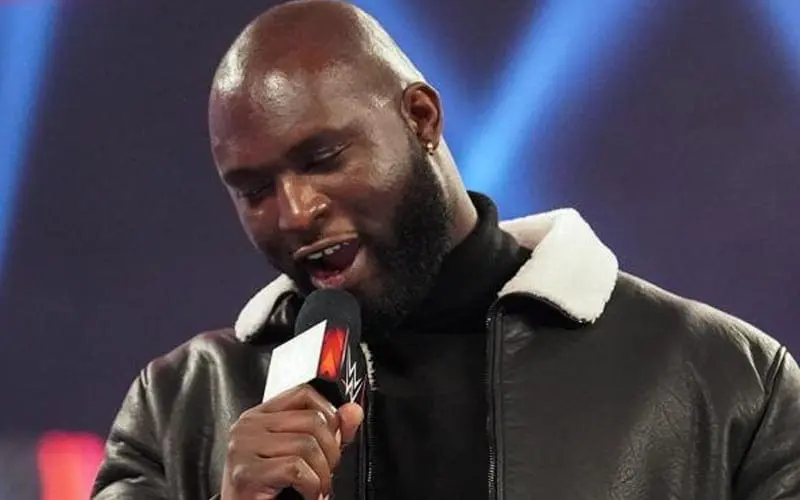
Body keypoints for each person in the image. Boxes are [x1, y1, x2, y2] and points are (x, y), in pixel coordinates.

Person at [91, 1, 800, 499]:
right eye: (254, 190)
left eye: (323, 158)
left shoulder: (725, 381)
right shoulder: (180, 406)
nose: (296, 212)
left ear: (421, 118)